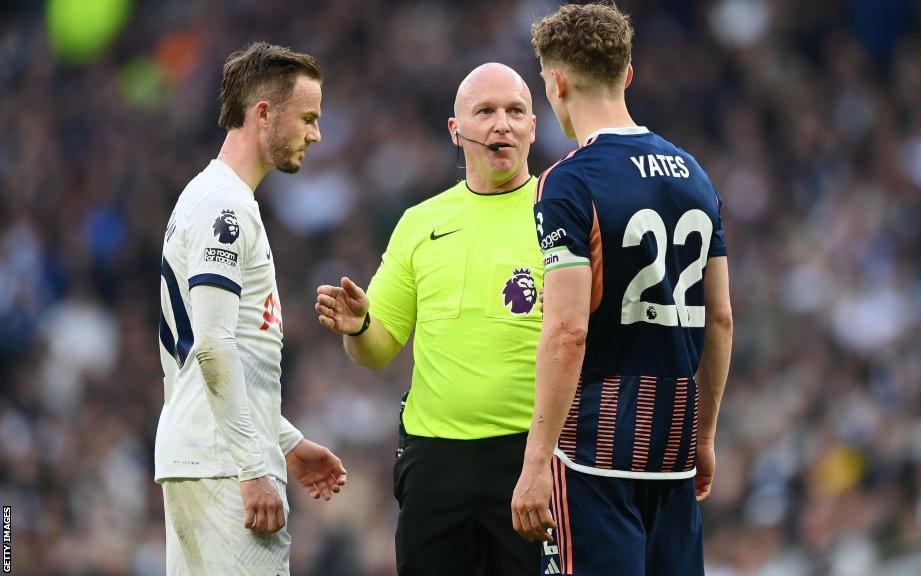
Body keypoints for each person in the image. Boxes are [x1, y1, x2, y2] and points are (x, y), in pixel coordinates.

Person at [511, 4, 734, 575]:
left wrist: (536, 463)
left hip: (595, 457)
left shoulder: (567, 181)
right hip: (674, 455)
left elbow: (566, 328)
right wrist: (703, 436)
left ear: (557, 82)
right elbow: (721, 319)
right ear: (627, 74)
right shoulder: (695, 174)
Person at [314, 63, 542, 575]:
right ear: (455, 130)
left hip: (531, 456)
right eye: (484, 112)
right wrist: (357, 328)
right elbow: (378, 347)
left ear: (533, 126)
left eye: (515, 112)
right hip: (436, 462)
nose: (500, 124)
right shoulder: (420, 223)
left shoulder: (560, 212)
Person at [155, 42, 346, 576]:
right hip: (221, 467)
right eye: (308, 118)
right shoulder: (224, 206)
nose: (316, 133)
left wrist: (283, 440)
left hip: (202, 456)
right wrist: (253, 464)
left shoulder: (214, 197)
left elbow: (209, 351)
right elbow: (214, 348)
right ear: (263, 113)